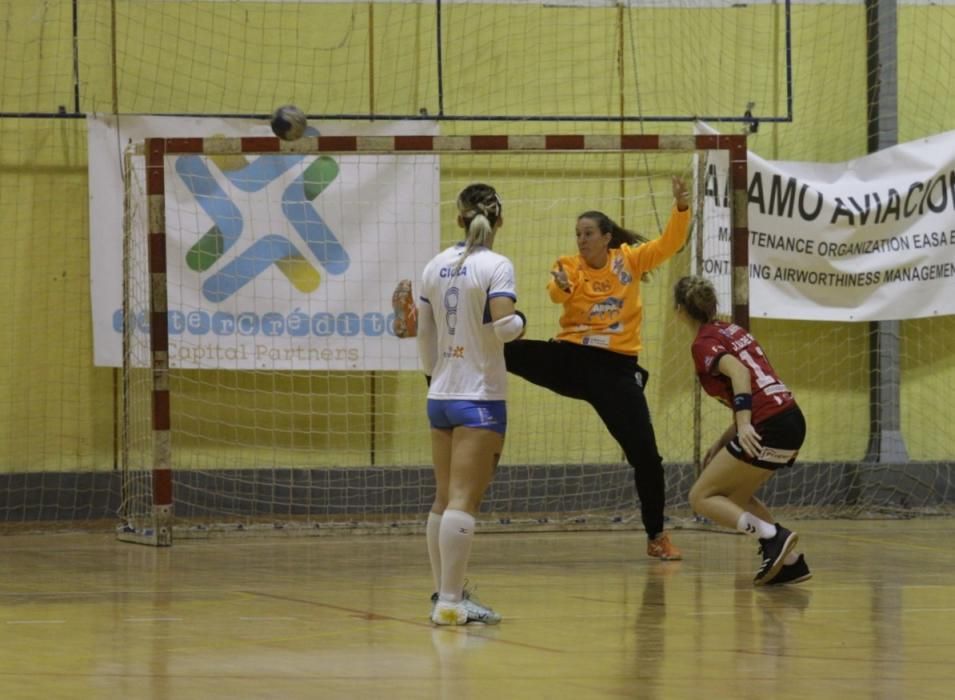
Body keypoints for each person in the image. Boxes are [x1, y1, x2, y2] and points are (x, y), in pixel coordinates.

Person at [501, 177, 691, 560]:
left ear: (606, 237)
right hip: (571, 359)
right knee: (504, 349)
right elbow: (557, 292)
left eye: (588, 233)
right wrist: (563, 288)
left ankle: (657, 536)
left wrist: (681, 208)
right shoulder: (568, 266)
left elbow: (669, 244)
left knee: (647, 458)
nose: (581, 240)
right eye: (577, 234)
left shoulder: (629, 261)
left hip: (616, 371)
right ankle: (446, 356)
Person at [398, 183, 526, 625]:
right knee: (462, 503)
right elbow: (506, 325)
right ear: (499, 220)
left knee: (442, 500)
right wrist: (522, 322)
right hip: (481, 397)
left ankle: (444, 595)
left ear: (458, 218)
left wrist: (434, 380)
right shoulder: (497, 265)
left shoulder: (434, 265)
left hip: (441, 395)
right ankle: (451, 603)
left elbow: (424, 337)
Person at [673, 275, 810, 585]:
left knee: (701, 497)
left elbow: (740, 373)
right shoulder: (732, 330)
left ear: (679, 311)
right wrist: (725, 439)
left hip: (768, 423)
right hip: (791, 420)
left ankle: (773, 536)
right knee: (736, 496)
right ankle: (789, 562)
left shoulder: (703, 343)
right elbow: (754, 385)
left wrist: (745, 424)